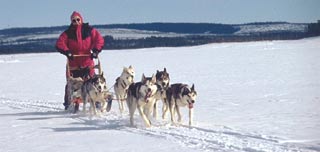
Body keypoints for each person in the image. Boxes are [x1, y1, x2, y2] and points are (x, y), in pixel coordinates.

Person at [56, 11, 105, 110]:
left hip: (87, 62)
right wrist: (67, 52)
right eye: (74, 20)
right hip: (74, 63)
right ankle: (68, 103)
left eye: (78, 19)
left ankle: (97, 101)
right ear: (71, 21)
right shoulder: (68, 33)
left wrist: (95, 51)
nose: (76, 22)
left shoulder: (89, 30)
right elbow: (60, 43)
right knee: (72, 84)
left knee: (93, 82)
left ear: (81, 19)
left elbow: (99, 40)